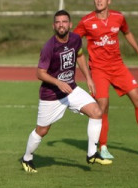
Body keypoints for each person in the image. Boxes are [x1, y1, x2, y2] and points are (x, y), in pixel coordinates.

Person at [74, 0, 138, 160]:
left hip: (118, 67)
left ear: (109, 1)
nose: (99, 0)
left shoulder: (118, 17)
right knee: (103, 107)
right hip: (99, 70)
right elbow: (73, 41)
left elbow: (127, 33)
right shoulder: (87, 21)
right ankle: (104, 147)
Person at [19, 10, 111, 173]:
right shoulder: (49, 47)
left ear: (70, 24)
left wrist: (88, 78)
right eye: (58, 22)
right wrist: (58, 82)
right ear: (53, 26)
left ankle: (92, 154)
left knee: (97, 112)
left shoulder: (75, 39)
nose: (61, 25)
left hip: (71, 90)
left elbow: (80, 56)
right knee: (42, 130)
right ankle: (27, 158)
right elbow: (39, 73)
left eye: (64, 22)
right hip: (51, 96)